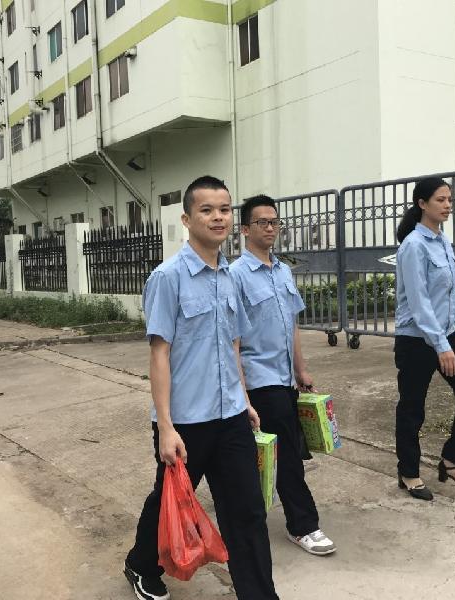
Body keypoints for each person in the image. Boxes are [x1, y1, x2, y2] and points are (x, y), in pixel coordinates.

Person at [124, 176, 279, 600]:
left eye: (224, 209)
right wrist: (166, 427)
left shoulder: (230, 276)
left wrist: (244, 400)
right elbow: (159, 354)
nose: (218, 217)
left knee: (247, 512)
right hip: (186, 422)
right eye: (207, 210)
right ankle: (141, 564)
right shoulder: (167, 277)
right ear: (187, 219)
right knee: (169, 502)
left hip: (230, 416)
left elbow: (233, 345)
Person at [231, 194, 336, 556]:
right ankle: (303, 525)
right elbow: (233, 340)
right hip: (259, 377)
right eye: (262, 222)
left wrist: (301, 370)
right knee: (288, 453)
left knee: (270, 451)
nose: (270, 228)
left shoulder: (283, 271)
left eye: (275, 222)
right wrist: (242, 393)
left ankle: (243, 512)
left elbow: (291, 325)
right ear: (245, 229)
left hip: (285, 378)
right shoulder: (236, 275)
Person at [393, 177, 455, 501]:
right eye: (441, 200)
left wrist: (447, 339)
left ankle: (453, 460)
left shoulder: (443, 241)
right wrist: (441, 345)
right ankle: (408, 473)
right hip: (416, 340)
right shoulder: (413, 246)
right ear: (422, 204)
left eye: (450, 199)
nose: (448, 205)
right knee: (412, 409)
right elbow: (419, 302)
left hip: (446, 334)